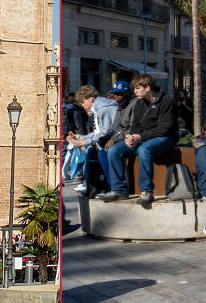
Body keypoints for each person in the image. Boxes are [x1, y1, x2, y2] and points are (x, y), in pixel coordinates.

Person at [98, 74, 178, 206]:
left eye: (137, 88)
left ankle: (147, 191)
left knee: (144, 149)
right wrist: (132, 137)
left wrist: (141, 137)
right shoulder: (140, 103)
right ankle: (119, 190)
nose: (134, 91)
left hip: (165, 138)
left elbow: (165, 127)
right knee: (113, 150)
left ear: (147, 88)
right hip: (143, 138)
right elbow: (135, 125)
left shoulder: (167, 101)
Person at [86, 80, 137, 197]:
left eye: (119, 94)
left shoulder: (133, 105)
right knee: (95, 152)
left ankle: (117, 188)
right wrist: (105, 138)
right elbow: (114, 127)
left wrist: (113, 139)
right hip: (122, 137)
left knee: (110, 151)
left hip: (133, 139)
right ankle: (101, 186)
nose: (115, 96)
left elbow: (132, 128)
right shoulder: (120, 106)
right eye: (114, 93)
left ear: (127, 94)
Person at [69, 85, 118, 194]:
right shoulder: (98, 109)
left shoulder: (103, 110)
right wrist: (82, 138)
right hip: (106, 141)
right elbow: (97, 132)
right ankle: (93, 187)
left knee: (98, 154)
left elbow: (104, 133)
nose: (82, 106)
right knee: (91, 153)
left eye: (83, 102)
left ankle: (111, 187)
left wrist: (83, 142)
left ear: (91, 99)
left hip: (112, 141)